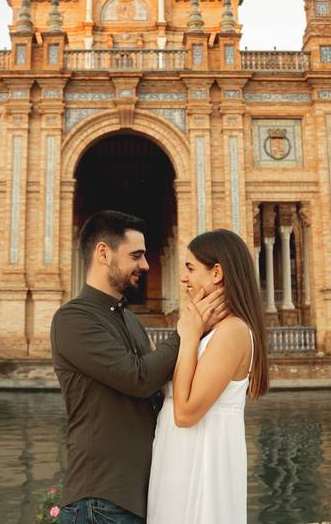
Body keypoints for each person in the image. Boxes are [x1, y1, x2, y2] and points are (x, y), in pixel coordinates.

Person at [51, 210, 229, 524]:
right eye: (136, 255)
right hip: (101, 501)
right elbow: (139, 378)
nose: (145, 266)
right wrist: (186, 332)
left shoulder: (128, 319)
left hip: (138, 499)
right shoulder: (73, 319)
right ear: (103, 253)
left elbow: (157, 391)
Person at [147, 228, 269, 524]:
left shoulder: (233, 331)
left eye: (190, 268)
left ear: (217, 273)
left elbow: (186, 413)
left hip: (202, 458)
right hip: (179, 455)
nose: (184, 277)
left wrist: (188, 336)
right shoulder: (212, 329)